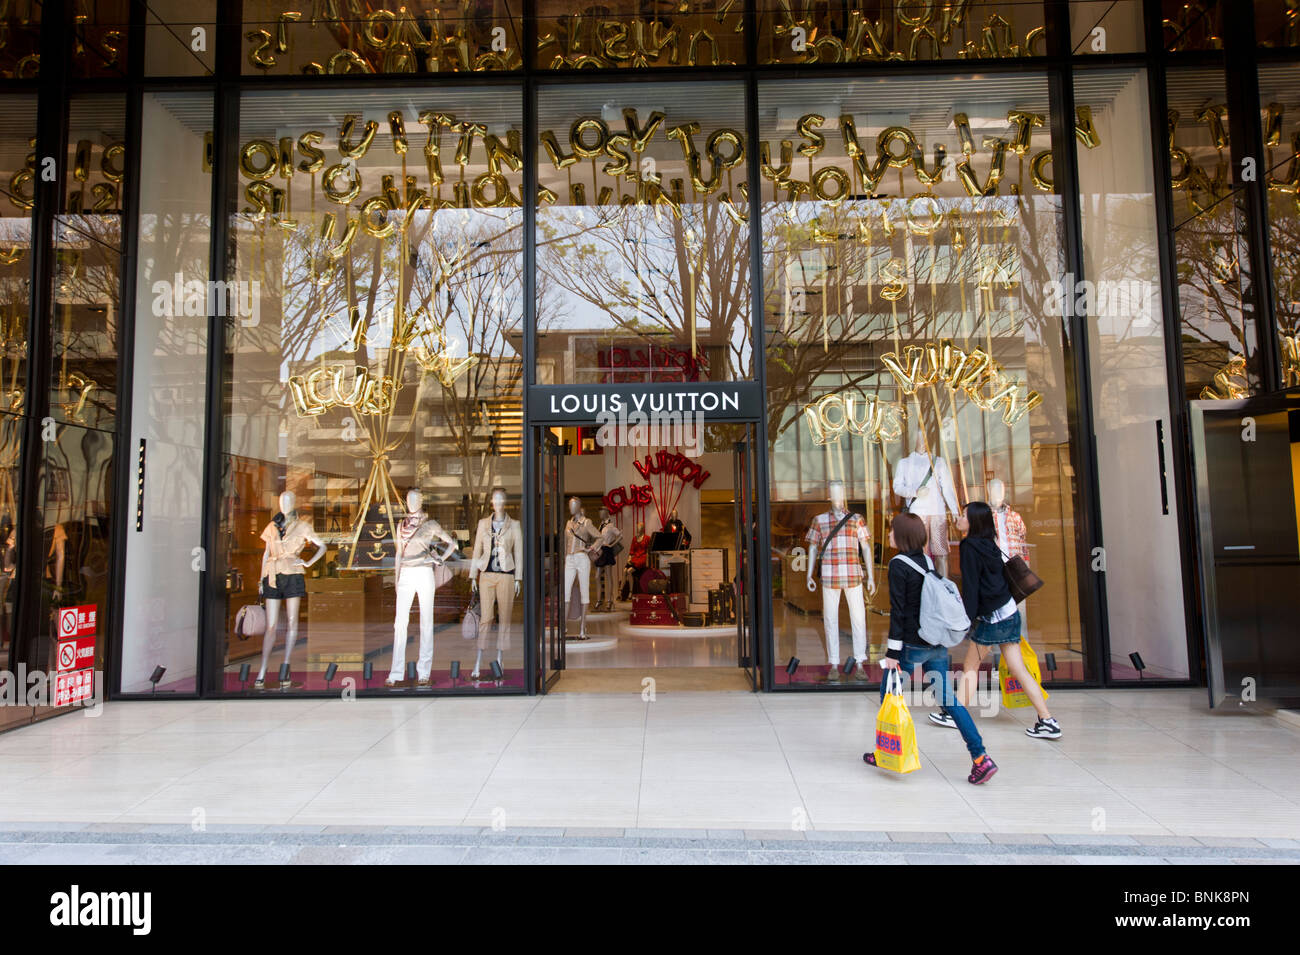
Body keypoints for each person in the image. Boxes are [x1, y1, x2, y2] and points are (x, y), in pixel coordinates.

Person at [864, 512, 997, 785]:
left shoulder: (897, 564)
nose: (889, 535)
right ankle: (981, 757)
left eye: (892, 531)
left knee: (889, 695)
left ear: (901, 536)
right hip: (936, 642)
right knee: (949, 700)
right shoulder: (925, 560)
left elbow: (898, 613)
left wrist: (891, 653)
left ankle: (887, 752)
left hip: (911, 645)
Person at [940, 500, 1061, 740]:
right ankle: (1047, 719)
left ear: (973, 521)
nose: (959, 519)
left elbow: (972, 586)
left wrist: (966, 618)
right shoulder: (989, 543)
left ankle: (957, 715)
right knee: (1018, 669)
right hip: (1008, 611)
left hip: (993, 617)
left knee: (970, 666)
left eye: (963, 515)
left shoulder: (969, 546)